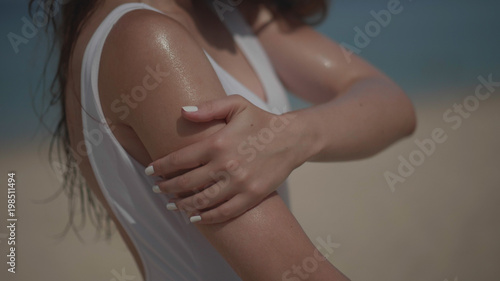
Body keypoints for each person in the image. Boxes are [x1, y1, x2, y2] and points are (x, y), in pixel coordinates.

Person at [35, 0, 415, 280]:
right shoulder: (146, 40)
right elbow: (291, 272)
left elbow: (394, 105)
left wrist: (294, 135)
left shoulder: (231, 14)